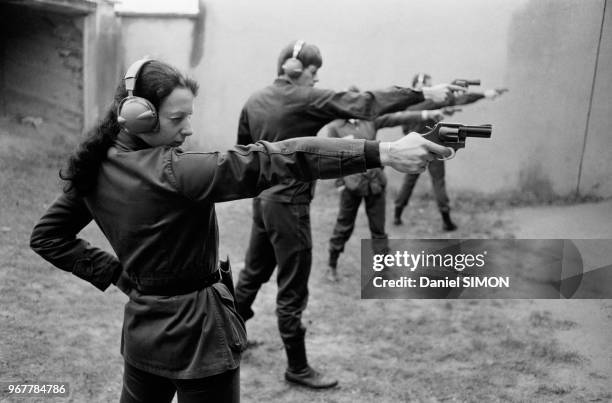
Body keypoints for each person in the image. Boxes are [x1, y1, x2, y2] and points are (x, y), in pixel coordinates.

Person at [29, 58, 453, 402]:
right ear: (139, 117)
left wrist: (121, 276)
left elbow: (47, 236)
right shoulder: (175, 171)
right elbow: (282, 158)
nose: (188, 128)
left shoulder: (94, 165)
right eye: (178, 119)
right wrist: (384, 151)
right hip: (198, 339)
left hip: (143, 335)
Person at [234, 40, 461, 389]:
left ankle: (230, 339)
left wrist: (258, 201)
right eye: (313, 72)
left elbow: (244, 155)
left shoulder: (254, 100)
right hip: (290, 204)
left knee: (252, 274)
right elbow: (365, 103)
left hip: (264, 204)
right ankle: (297, 367)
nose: (315, 79)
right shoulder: (305, 98)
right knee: (292, 286)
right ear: (295, 69)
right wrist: (425, 91)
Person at [326, 86, 446, 282]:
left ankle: (383, 271)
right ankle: (332, 265)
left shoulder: (369, 120)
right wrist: (340, 183)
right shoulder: (336, 127)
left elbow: (396, 117)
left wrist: (428, 112)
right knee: (343, 227)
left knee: (378, 230)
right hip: (352, 186)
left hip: (375, 183)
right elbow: (331, 156)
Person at [393, 72, 507, 230]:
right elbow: (460, 99)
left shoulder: (407, 105)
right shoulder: (430, 102)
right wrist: (485, 94)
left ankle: (397, 216)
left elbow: (404, 129)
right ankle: (446, 220)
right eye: (429, 84)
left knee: (409, 182)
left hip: (415, 148)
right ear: (422, 85)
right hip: (433, 147)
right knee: (438, 183)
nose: (431, 87)